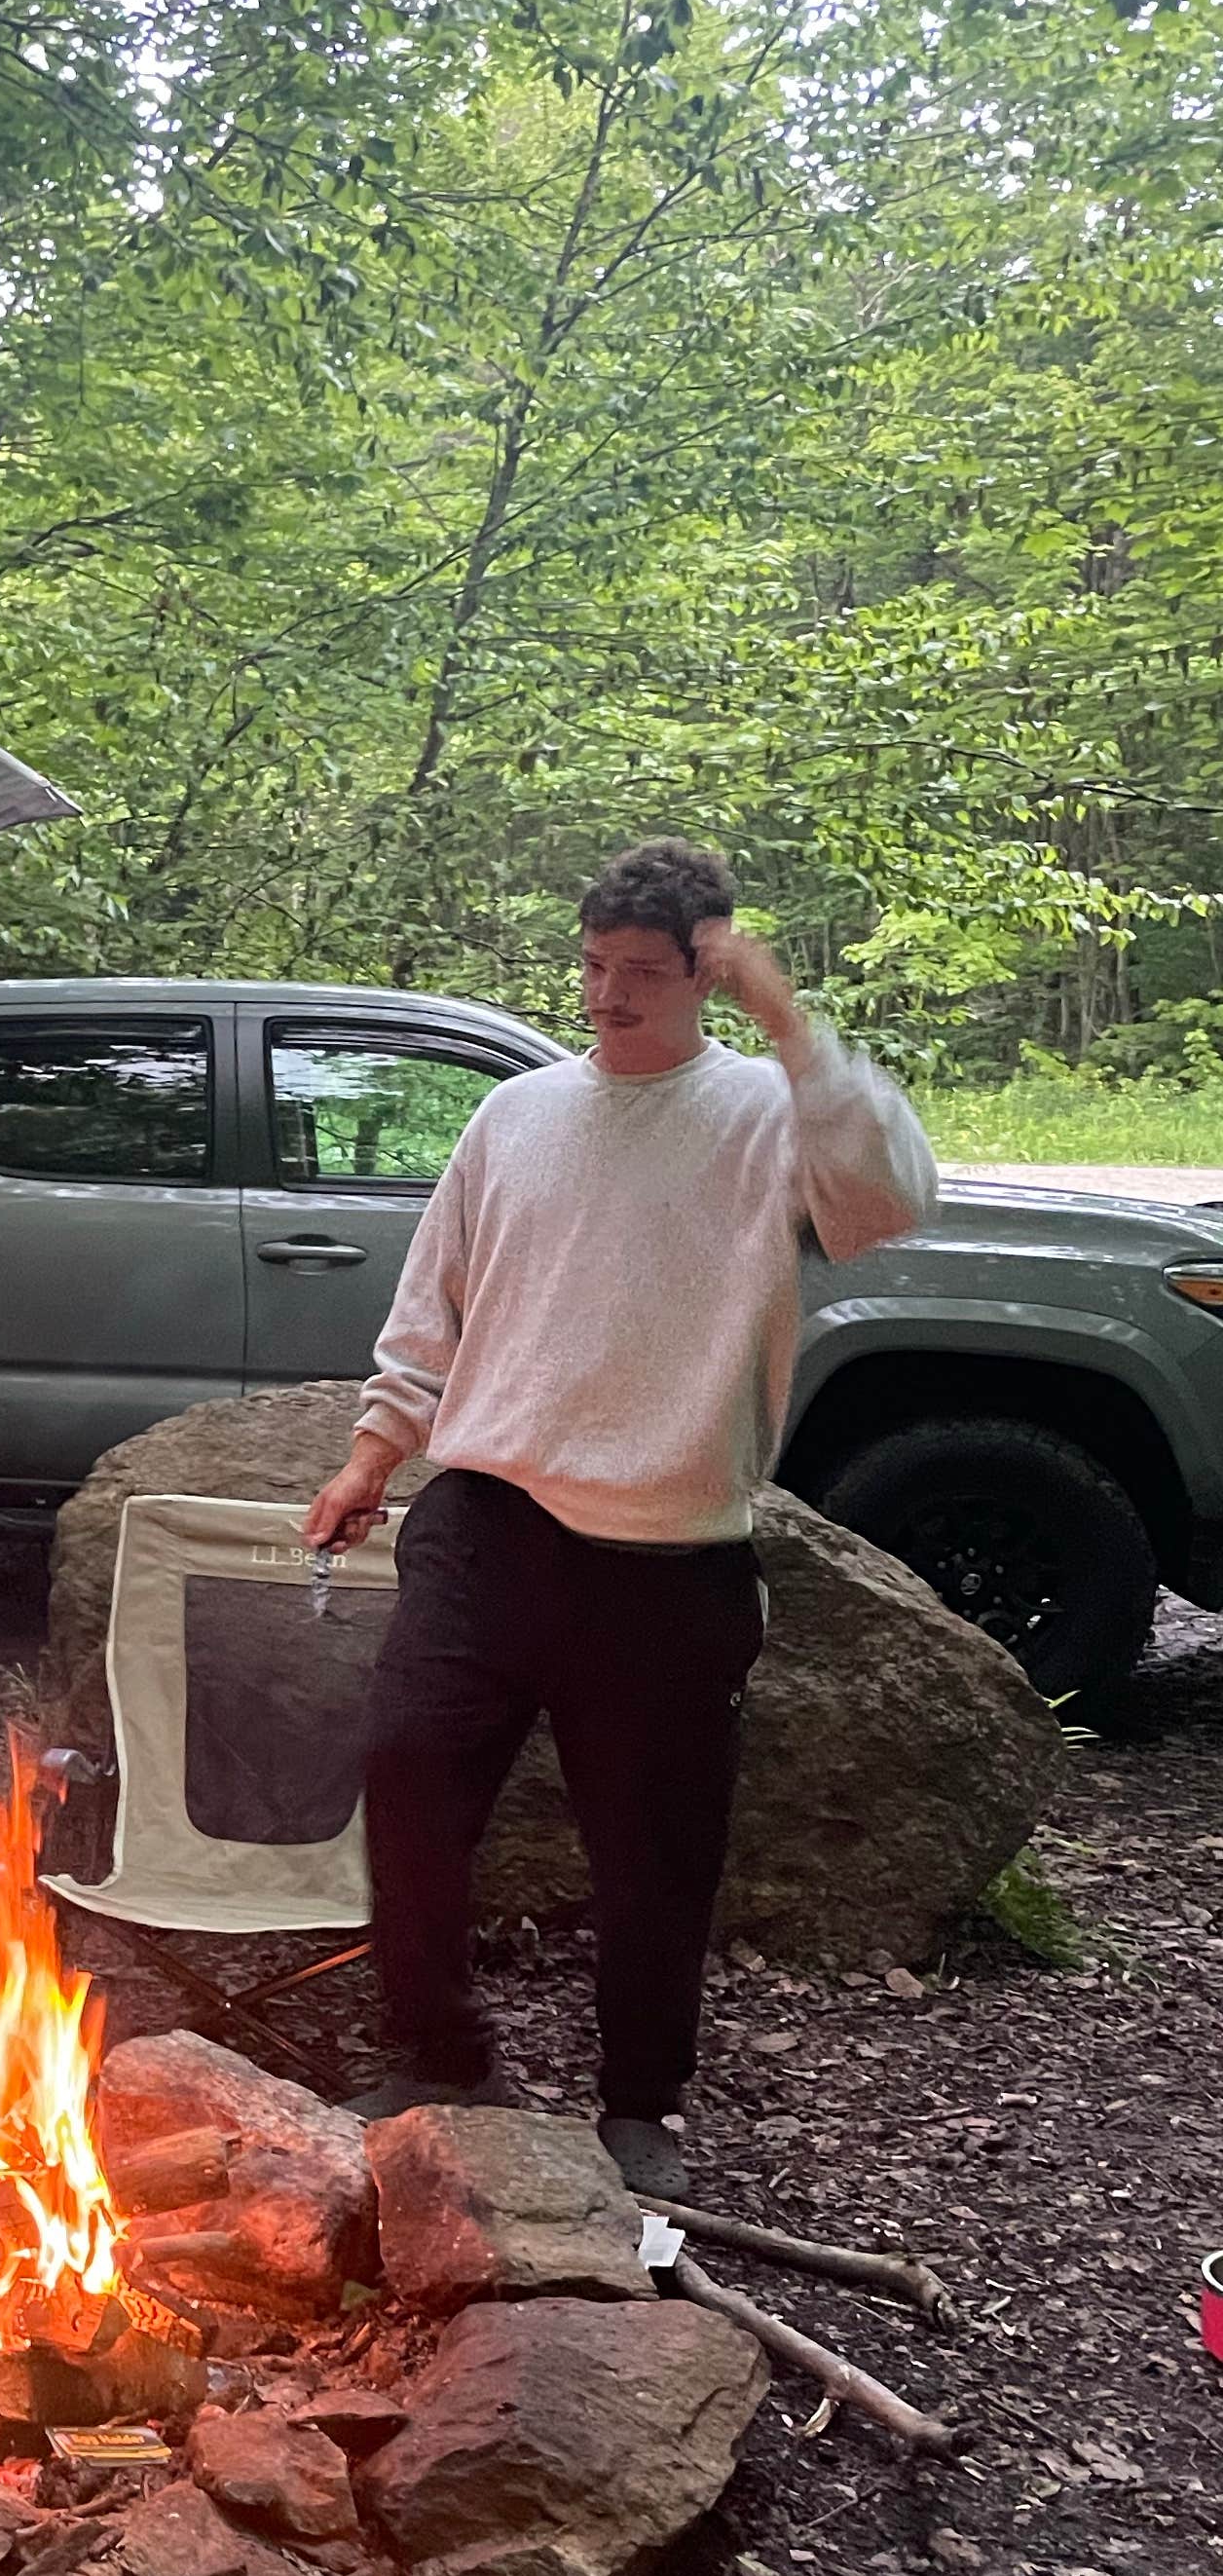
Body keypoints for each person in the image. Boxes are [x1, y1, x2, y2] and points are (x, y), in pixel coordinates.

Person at [298, 838, 938, 2202]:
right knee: (405, 1770)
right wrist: (369, 1461)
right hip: (487, 1517)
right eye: (593, 967)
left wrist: (785, 1016)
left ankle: (642, 2102)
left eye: (640, 974)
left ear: (706, 971)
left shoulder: (771, 1115)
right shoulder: (516, 1117)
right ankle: (438, 2052)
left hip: (668, 1552)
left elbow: (891, 1199)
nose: (605, 996)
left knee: (653, 1854)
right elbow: (432, 1318)